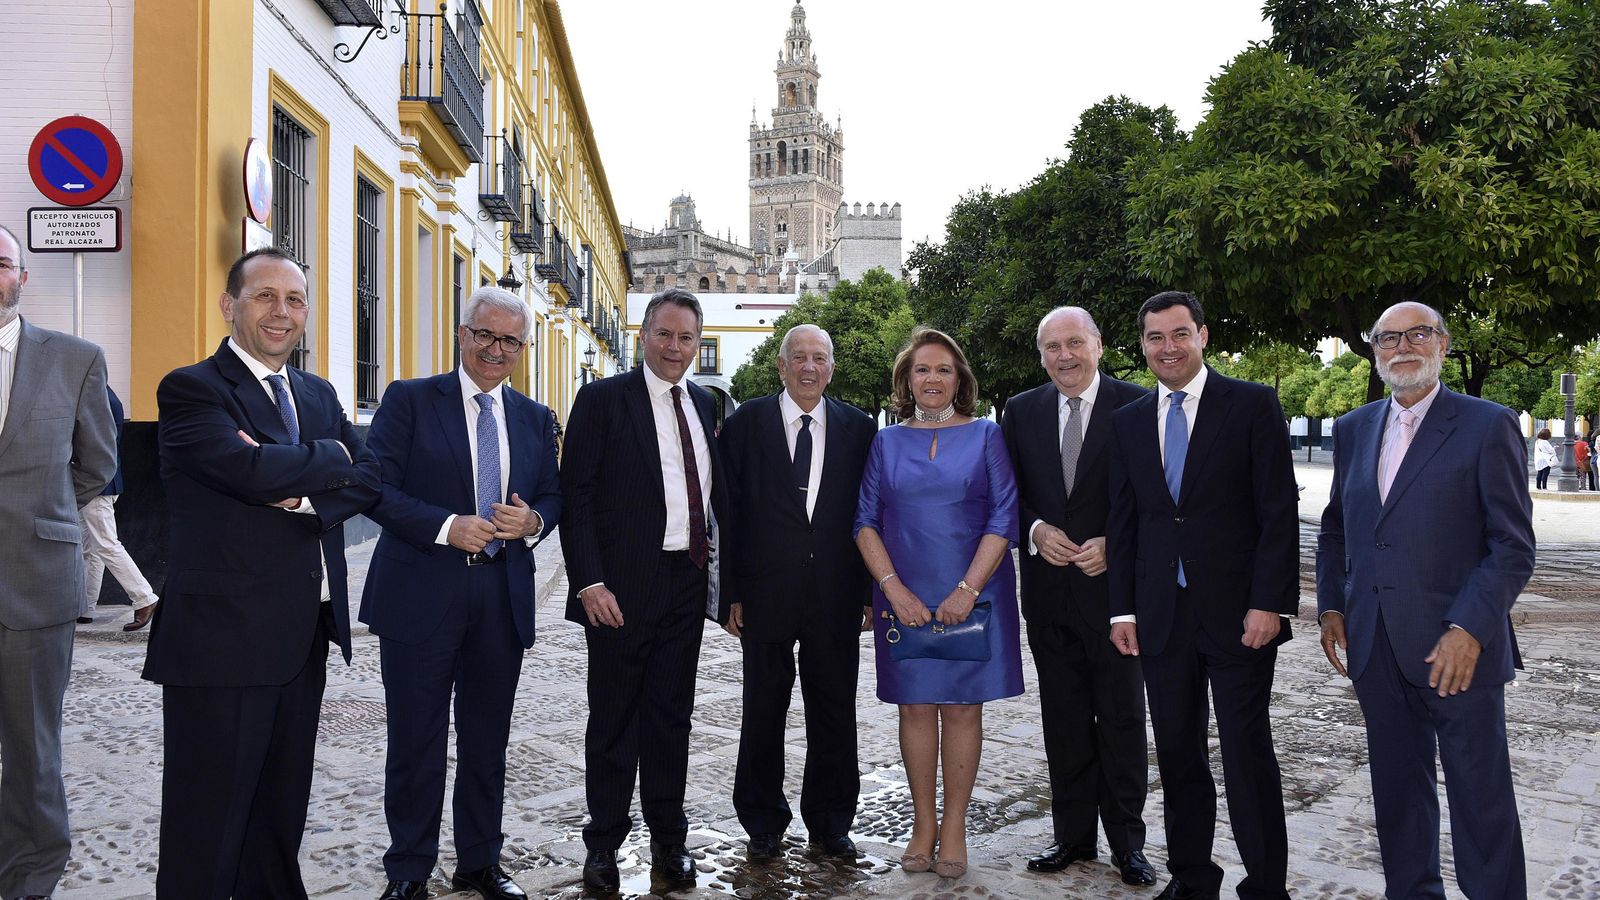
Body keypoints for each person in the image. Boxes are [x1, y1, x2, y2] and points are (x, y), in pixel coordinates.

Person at [142, 247, 380, 899]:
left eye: (295, 299)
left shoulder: (318, 392)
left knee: (278, 820)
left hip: (301, 639)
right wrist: (330, 454)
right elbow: (244, 473)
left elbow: (371, 479)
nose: (283, 312)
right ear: (230, 306)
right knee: (207, 828)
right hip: (219, 645)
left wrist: (304, 485)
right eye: (265, 296)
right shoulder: (192, 388)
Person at [1317, 301, 1534, 898]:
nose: (1402, 346)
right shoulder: (1354, 428)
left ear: (1443, 344)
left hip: (1457, 651)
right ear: (1375, 351)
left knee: (1480, 797)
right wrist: (1332, 606)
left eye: (1418, 334)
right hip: (1375, 645)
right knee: (1398, 792)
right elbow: (1338, 527)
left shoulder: (1487, 424)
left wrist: (1469, 627)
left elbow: (1512, 546)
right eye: (1387, 338)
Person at [359, 287, 562, 900]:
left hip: (500, 601)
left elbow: (554, 495)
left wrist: (535, 524)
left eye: (509, 341)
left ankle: (480, 861)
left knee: (486, 743)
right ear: (462, 334)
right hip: (422, 595)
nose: (495, 350)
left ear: (521, 349)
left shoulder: (533, 417)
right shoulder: (410, 400)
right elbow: (376, 488)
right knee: (416, 743)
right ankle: (409, 871)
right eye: (485, 335)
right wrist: (449, 528)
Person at [1106, 291, 1298, 900]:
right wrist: (1122, 609)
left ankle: (1266, 885)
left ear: (1203, 336)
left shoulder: (1251, 404)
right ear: (1142, 346)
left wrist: (1270, 602)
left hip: (1242, 618)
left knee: (1246, 755)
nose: (1169, 347)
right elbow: (1124, 522)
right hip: (1161, 618)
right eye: (1156, 338)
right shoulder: (1129, 420)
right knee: (1180, 755)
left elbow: (1278, 511)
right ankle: (1192, 877)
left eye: (1180, 334)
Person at [560, 288, 730, 892]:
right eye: (665, 334)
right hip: (619, 589)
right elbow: (575, 498)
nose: (675, 347)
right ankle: (603, 846)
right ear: (643, 336)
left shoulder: (708, 404)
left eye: (687, 338)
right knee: (612, 721)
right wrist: (589, 582)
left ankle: (669, 842)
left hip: (684, 585)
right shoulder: (603, 399)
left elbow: (716, 499)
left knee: (670, 719)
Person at [854, 326, 1024, 881]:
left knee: (962, 708)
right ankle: (922, 825)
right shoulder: (885, 442)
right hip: (901, 597)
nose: (932, 379)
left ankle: (955, 826)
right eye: (923, 369)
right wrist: (892, 590)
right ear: (906, 378)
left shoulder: (986, 435)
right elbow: (865, 522)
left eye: (944, 370)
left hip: (974, 591)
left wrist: (966, 590)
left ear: (961, 381)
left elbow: (1004, 517)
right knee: (916, 709)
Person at [999, 307, 1155, 886]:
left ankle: (1128, 845)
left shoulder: (1137, 406)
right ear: (1040, 355)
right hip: (1048, 597)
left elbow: (1157, 499)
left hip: (1117, 600)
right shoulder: (1021, 411)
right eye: (1051, 347)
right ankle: (1072, 837)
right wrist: (1036, 532)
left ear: (1099, 345)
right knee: (1062, 721)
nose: (1063, 356)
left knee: (1120, 720)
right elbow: (1005, 496)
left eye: (1074, 343)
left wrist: (1117, 544)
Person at [720, 324, 877, 861]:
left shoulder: (860, 428)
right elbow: (730, 513)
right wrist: (731, 592)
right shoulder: (745, 424)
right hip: (764, 594)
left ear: (831, 367)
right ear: (781, 366)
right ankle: (763, 822)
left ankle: (831, 822)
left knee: (834, 713)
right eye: (799, 358)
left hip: (836, 595)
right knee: (762, 709)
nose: (809, 367)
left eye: (819, 358)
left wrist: (868, 592)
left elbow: (869, 515)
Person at [0, 223, 117, 900]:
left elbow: (96, 465)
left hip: (35, 583)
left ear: (22, 275)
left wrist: (41, 514)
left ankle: (29, 877)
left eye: (3, 262)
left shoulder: (75, 358)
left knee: (32, 746)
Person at [79, 384, 162, 631]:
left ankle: (144, 598)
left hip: (96, 482)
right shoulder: (105, 394)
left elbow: (95, 442)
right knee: (92, 547)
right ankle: (86, 607)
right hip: (101, 481)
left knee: (104, 543)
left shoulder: (96, 396)